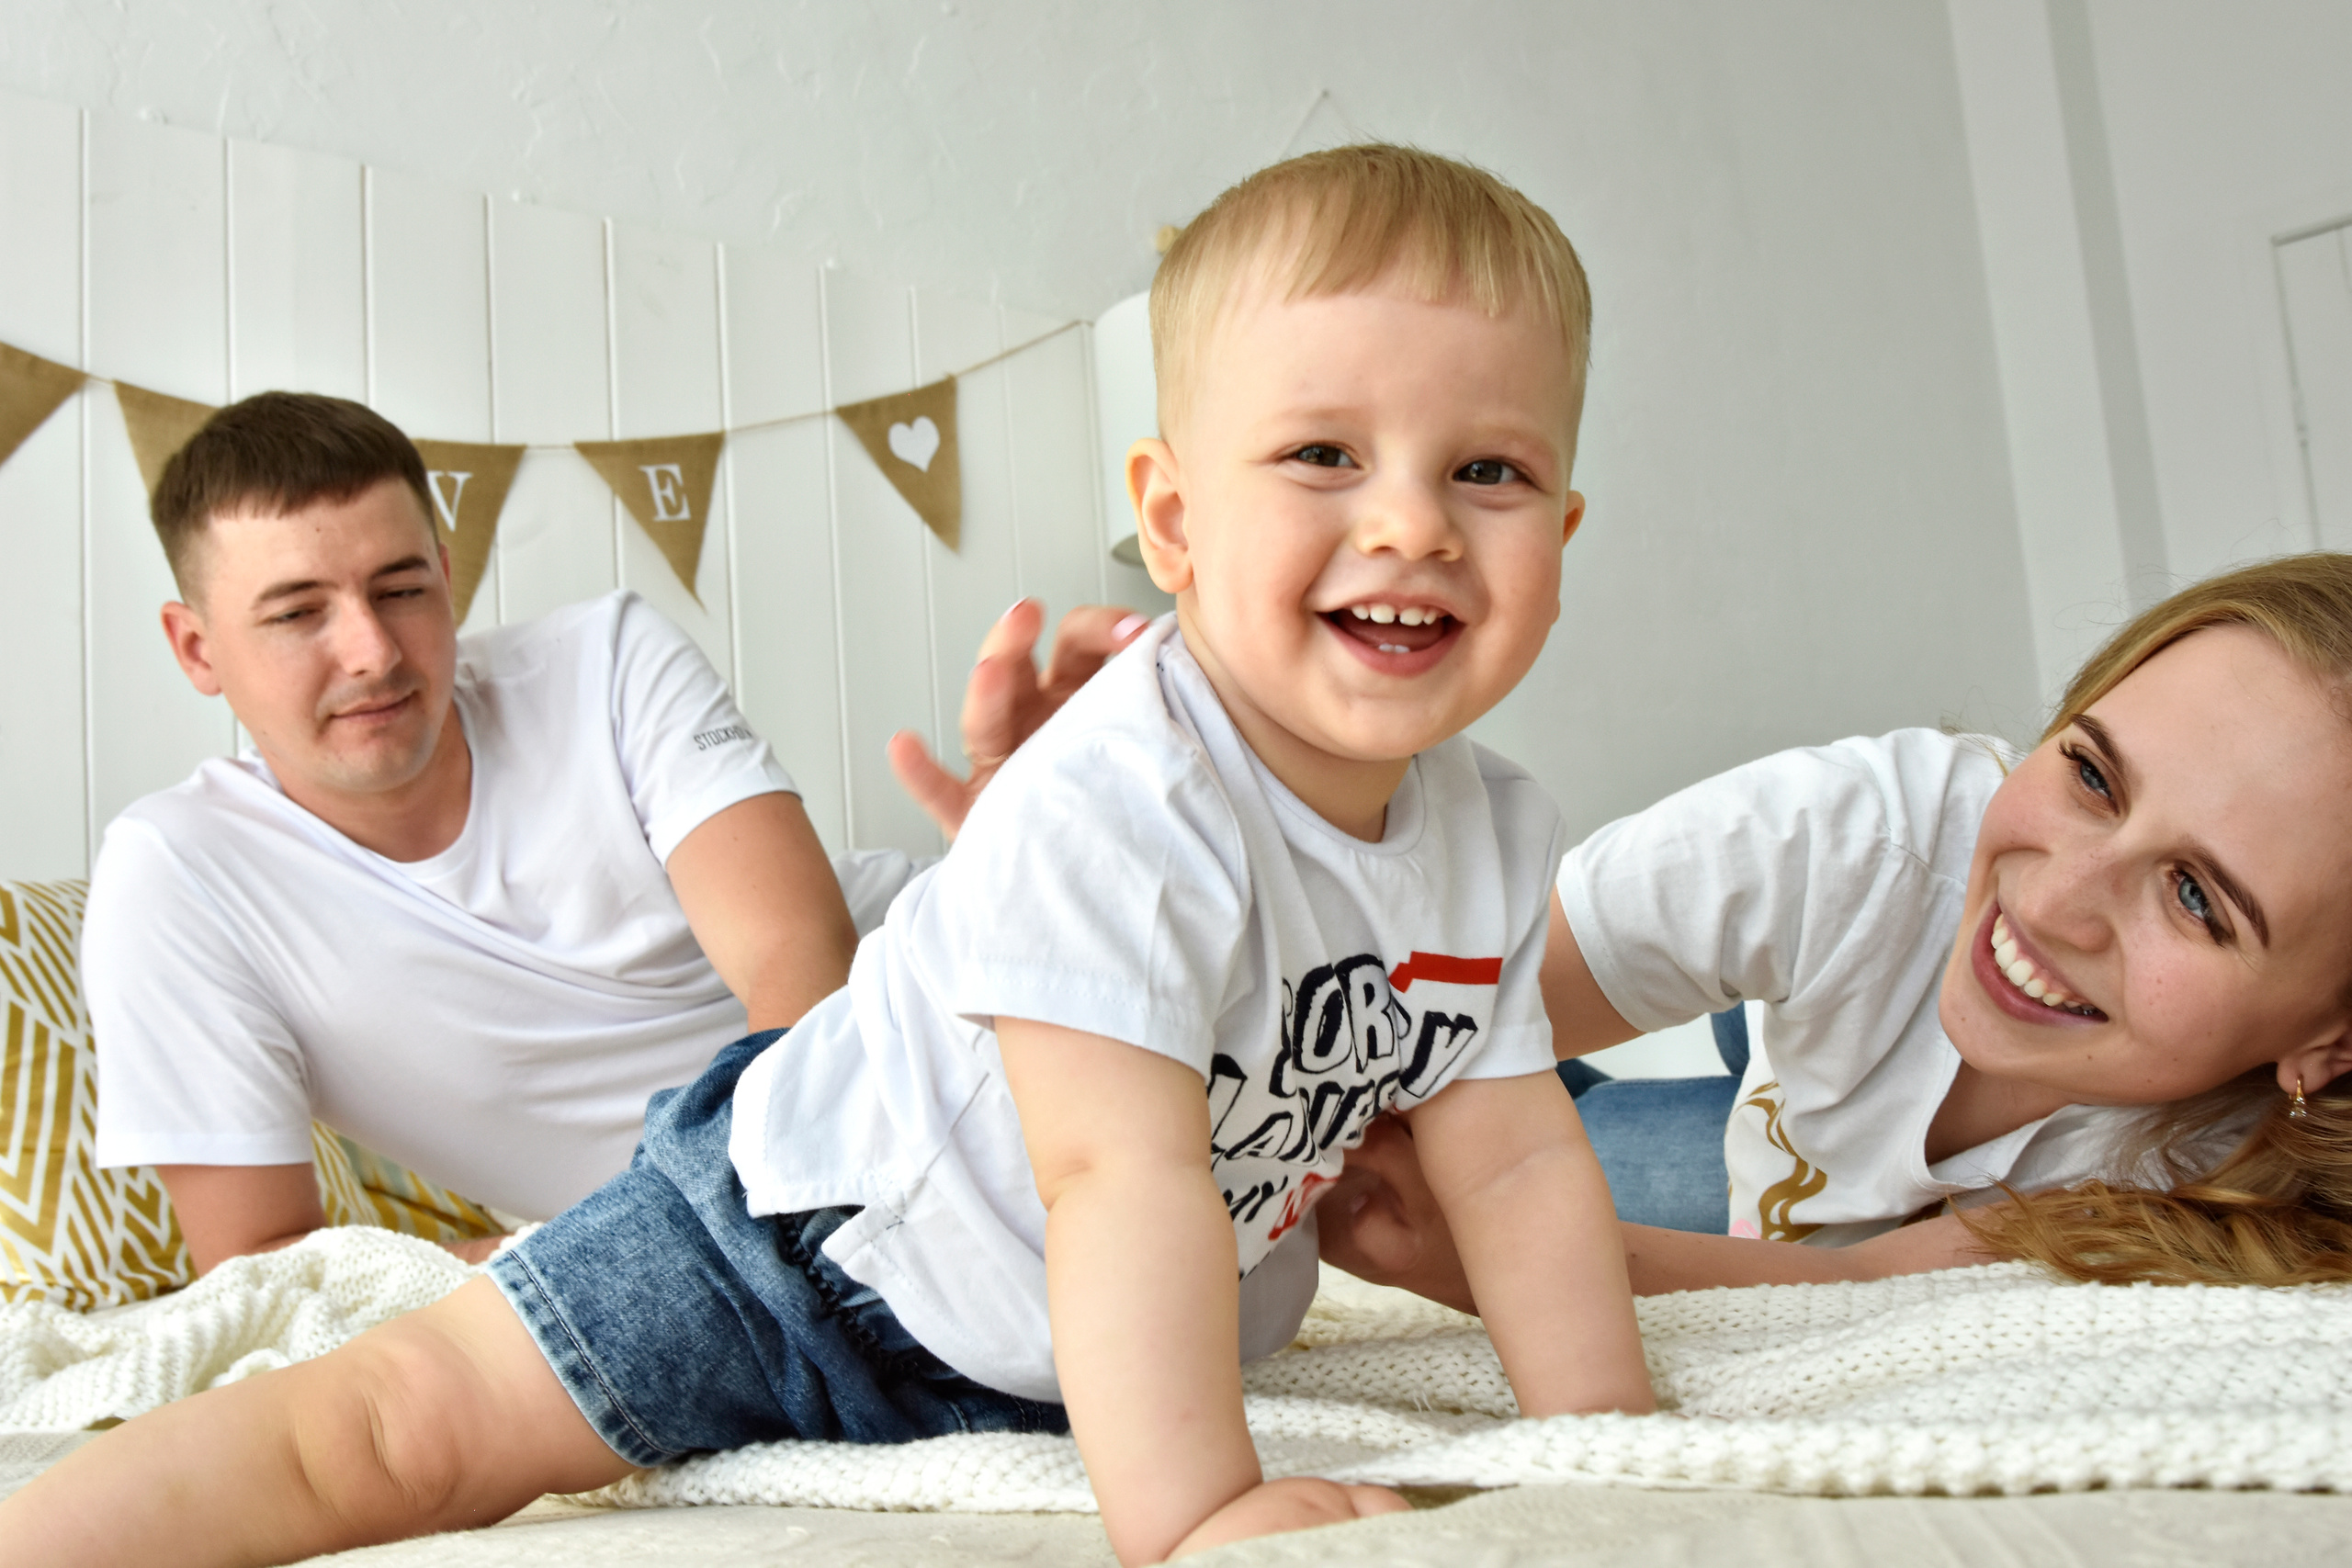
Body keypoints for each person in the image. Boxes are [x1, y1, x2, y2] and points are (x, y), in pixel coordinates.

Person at [7, 145, 1653, 1566]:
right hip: (789, 1245)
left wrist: (1611, 1445)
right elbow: (1112, 1170)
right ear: (1170, 522)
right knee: (386, 1434)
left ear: (1566, 533)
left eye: (1487, 470)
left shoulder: (1490, 835)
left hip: (1036, 1345)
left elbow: (1507, 1162)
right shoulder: (1125, 792)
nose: (1414, 525)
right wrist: (1199, 1511)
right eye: (1323, 455)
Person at [1315, 553, 2352, 1307]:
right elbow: (1415, 1023)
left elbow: (1848, 1280)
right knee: (1488, 1055)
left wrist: (1453, 1254)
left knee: (1554, 1153)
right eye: (2089, 773)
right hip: (1872, 947)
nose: (2051, 902)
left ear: (2328, 1043)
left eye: (2196, 899)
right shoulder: (1865, 836)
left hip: (1824, 1114)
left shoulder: (2227, 1175)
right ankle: (1751, 1009)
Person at [84, 392, 861, 1269]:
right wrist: (629, 1260)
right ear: (197, 649)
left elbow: (798, 951)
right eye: (299, 612)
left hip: (902, 1047)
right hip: (713, 1250)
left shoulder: (608, 661)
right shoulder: (176, 877)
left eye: (402, 589)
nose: (373, 651)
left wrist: (748, 1220)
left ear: (447, 580)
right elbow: (267, 1266)